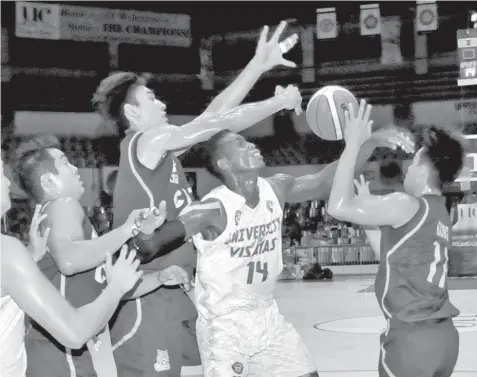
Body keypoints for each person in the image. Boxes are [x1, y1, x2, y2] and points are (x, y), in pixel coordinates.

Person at [130, 101, 408, 376]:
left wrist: (367, 144)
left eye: (248, 142)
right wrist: (145, 232)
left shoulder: (276, 188)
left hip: (268, 316)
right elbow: (150, 246)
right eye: (239, 144)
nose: (251, 145)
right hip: (225, 327)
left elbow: (325, 181)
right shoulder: (212, 210)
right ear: (223, 163)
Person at [92, 21, 302, 377]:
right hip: (145, 295)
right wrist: (278, 102)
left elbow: (213, 115)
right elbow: (216, 124)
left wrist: (258, 66)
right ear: (132, 114)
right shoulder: (145, 142)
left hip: (172, 287)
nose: (161, 103)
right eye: (151, 99)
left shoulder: (162, 152)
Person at [12, 137, 188, 377]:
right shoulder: (63, 204)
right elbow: (69, 261)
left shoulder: (67, 220)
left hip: (72, 353)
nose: (75, 168)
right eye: (65, 163)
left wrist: (159, 277)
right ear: (49, 182)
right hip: (62, 358)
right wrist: (127, 228)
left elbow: (110, 285)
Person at [327, 100, 465, 377]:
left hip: (410, 341)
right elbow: (391, 258)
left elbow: (336, 206)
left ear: (424, 172)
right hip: (444, 340)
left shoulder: (405, 204)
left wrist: (353, 144)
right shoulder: (440, 214)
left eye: (413, 164)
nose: (408, 170)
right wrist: (368, 220)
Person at [0, 158, 144, 377]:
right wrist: (117, 287)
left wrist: (30, 257)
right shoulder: (8, 250)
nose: (8, 183)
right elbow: (74, 332)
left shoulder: (13, 254)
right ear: (48, 181)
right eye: (1, 173)